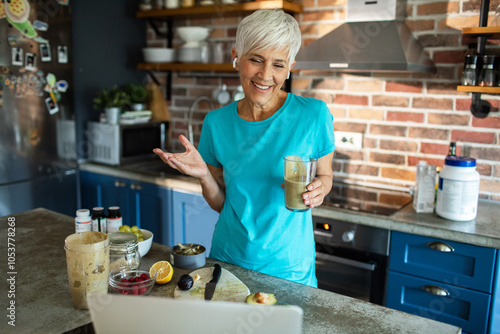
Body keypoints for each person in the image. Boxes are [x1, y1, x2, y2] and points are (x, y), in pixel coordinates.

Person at [154, 9, 335, 287]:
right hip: (229, 262)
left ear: (290, 67)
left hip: (290, 270)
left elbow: (325, 175)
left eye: (278, 64)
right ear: (236, 57)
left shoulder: (313, 115)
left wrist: (320, 189)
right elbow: (222, 204)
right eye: (256, 60)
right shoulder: (216, 123)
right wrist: (203, 175)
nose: (265, 75)